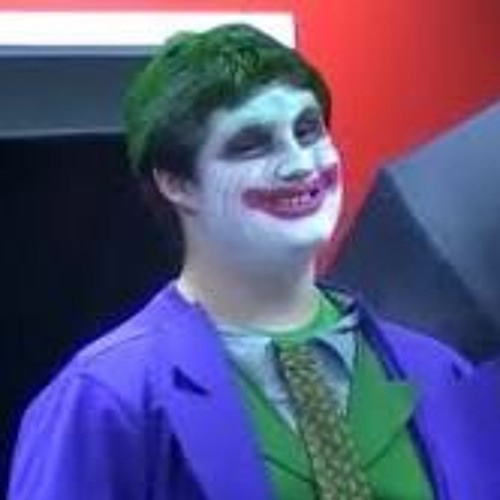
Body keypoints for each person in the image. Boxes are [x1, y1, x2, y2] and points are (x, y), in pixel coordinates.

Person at [8, 23, 499, 500]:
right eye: (251, 145)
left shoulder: (437, 371)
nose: (300, 165)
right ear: (176, 183)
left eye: (308, 131)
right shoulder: (107, 397)